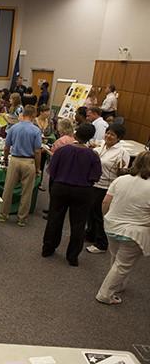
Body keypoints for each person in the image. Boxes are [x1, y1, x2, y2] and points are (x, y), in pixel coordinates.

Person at [42, 124, 102, 266]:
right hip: (82, 191)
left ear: (75, 134)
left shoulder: (62, 151)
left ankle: (48, 248)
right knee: (78, 224)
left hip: (61, 187)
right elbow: (95, 176)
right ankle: (72, 256)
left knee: (54, 218)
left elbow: (52, 171)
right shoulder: (93, 156)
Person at [95, 151, 150, 305]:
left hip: (111, 226)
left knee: (116, 257)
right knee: (123, 265)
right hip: (134, 232)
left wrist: (106, 217)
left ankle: (117, 285)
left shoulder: (121, 180)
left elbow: (105, 202)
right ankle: (105, 294)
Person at [86, 124, 129, 254]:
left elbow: (123, 172)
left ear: (119, 138)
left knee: (100, 214)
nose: (108, 136)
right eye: (107, 133)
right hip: (94, 183)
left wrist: (121, 170)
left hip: (107, 187)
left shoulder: (122, 152)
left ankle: (102, 243)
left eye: (112, 135)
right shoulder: (102, 146)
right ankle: (90, 234)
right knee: (91, 211)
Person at [0, 105, 42, 227]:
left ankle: (3, 215)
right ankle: (21, 219)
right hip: (29, 162)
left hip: (15, 160)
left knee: (8, 189)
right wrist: (38, 168)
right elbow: (37, 151)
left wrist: (6, 159)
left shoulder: (14, 127)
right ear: (33, 115)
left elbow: (6, 147)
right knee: (26, 192)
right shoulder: (36, 130)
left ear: (23, 113)